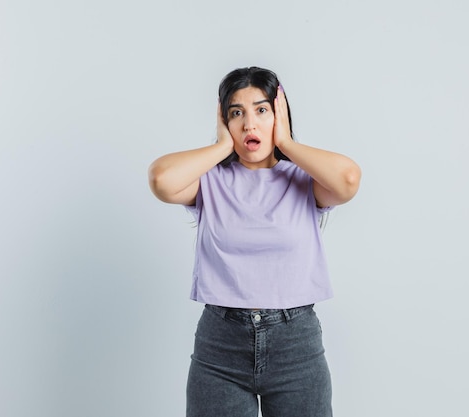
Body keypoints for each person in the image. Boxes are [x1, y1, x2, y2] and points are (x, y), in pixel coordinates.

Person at [148, 66, 361, 417]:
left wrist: (287, 144)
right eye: (236, 113)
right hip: (220, 347)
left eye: (262, 110)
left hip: (296, 347)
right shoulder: (210, 181)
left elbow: (349, 179)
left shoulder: (303, 180)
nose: (250, 124)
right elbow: (161, 180)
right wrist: (220, 147)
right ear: (224, 121)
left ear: (280, 115)